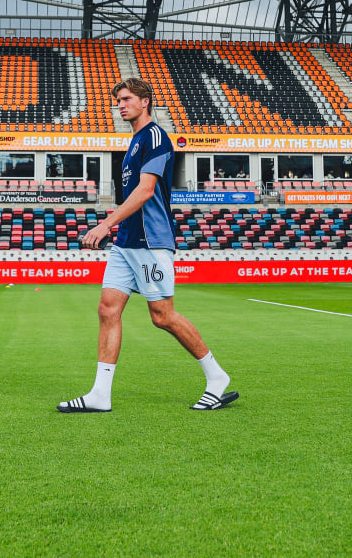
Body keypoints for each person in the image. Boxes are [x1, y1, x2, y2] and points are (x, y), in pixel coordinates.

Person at [59, 77, 237, 413]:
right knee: (107, 309)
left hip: (151, 242)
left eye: (126, 99)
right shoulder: (134, 143)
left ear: (145, 101)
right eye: (118, 101)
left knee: (162, 316)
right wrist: (116, 229)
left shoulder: (155, 137)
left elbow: (144, 192)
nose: (121, 105)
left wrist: (105, 224)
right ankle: (100, 394)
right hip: (126, 242)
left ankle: (217, 377)